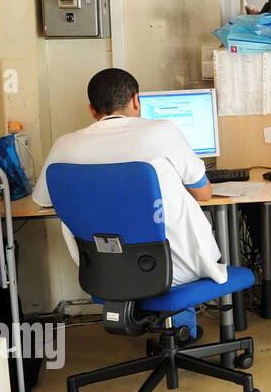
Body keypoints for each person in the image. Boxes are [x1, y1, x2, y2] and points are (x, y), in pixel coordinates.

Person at [31, 69, 228, 331]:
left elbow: (43, 200)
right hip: (174, 269)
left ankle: (177, 331)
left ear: (91, 110)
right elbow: (204, 194)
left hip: (104, 271)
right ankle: (183, 332)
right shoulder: (162, 131)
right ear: (136, 100)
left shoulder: (64, 145)